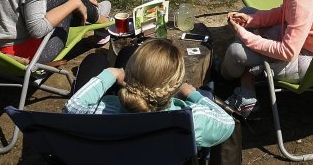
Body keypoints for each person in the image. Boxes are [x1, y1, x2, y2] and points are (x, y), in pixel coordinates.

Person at [64, 39, 235, 149]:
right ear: (175, 86)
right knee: (127, 52)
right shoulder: (191, 120)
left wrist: (111, 73)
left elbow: (71, 108)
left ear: (128, 76)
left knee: (97, 60)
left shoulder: (102, 112)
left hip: (112, 151)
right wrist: (193, 95)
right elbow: (228, 122)